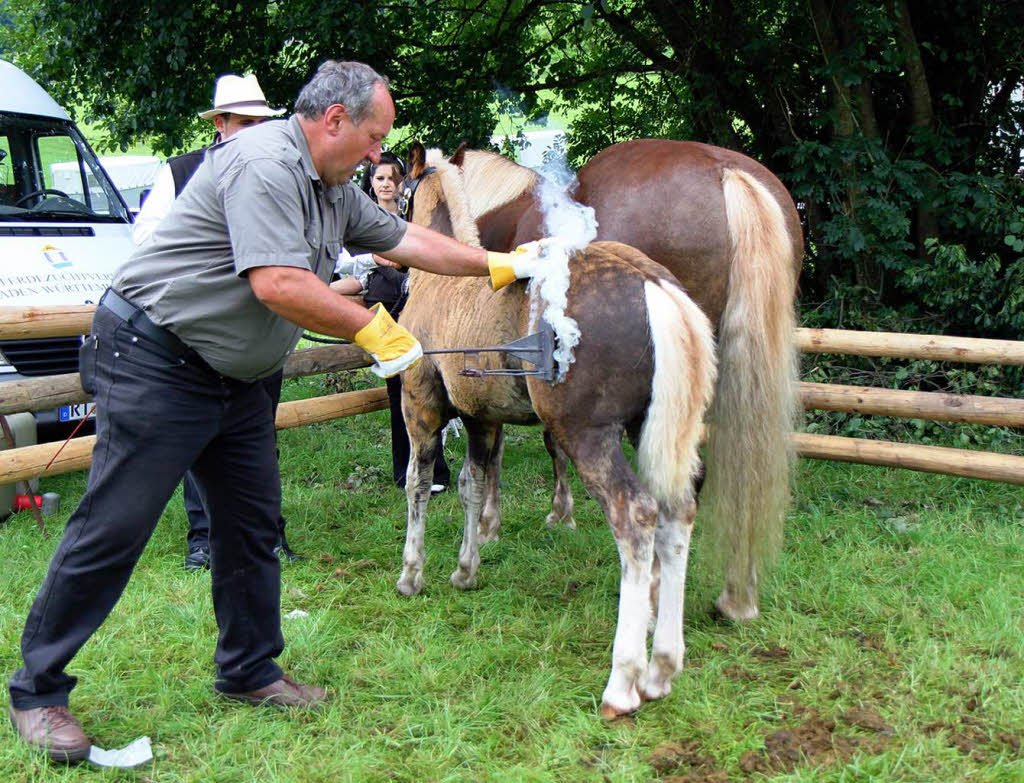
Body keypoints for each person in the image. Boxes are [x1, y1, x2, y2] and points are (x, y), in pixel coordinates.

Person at [7, 59, 542, 763]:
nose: (381, 153)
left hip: (235, 374)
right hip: (154, 357)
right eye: (375, 136)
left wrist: (496, 264)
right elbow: (278, 282)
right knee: (115, 524)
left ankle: (250, 669)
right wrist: (375, 330)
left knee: (251, 524)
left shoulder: (334, 186)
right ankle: (37, 690)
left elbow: (405, 239)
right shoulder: (264, 163)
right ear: (334, 121)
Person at [133, 73, 299, 570]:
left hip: (259, 328)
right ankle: (203, 538)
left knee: (258, 433)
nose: (253, 131)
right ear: (221, 124)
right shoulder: (182, 172)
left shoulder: (278, 175)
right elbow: (147, 241)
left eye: (260, 123)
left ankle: (266, 532)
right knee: (198, 432)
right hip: (199, 332)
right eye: (244, 122)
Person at [335, 152, 451, 493]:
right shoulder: (360, 224)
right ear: (371, 182)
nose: (386, 184)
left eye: (392, 178)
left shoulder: (411, 220)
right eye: (380, 177)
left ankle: (436, 470)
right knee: (401, 388)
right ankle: (407, 471)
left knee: (429, 386)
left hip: (415, 307)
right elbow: (350, 272)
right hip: (383, 310)